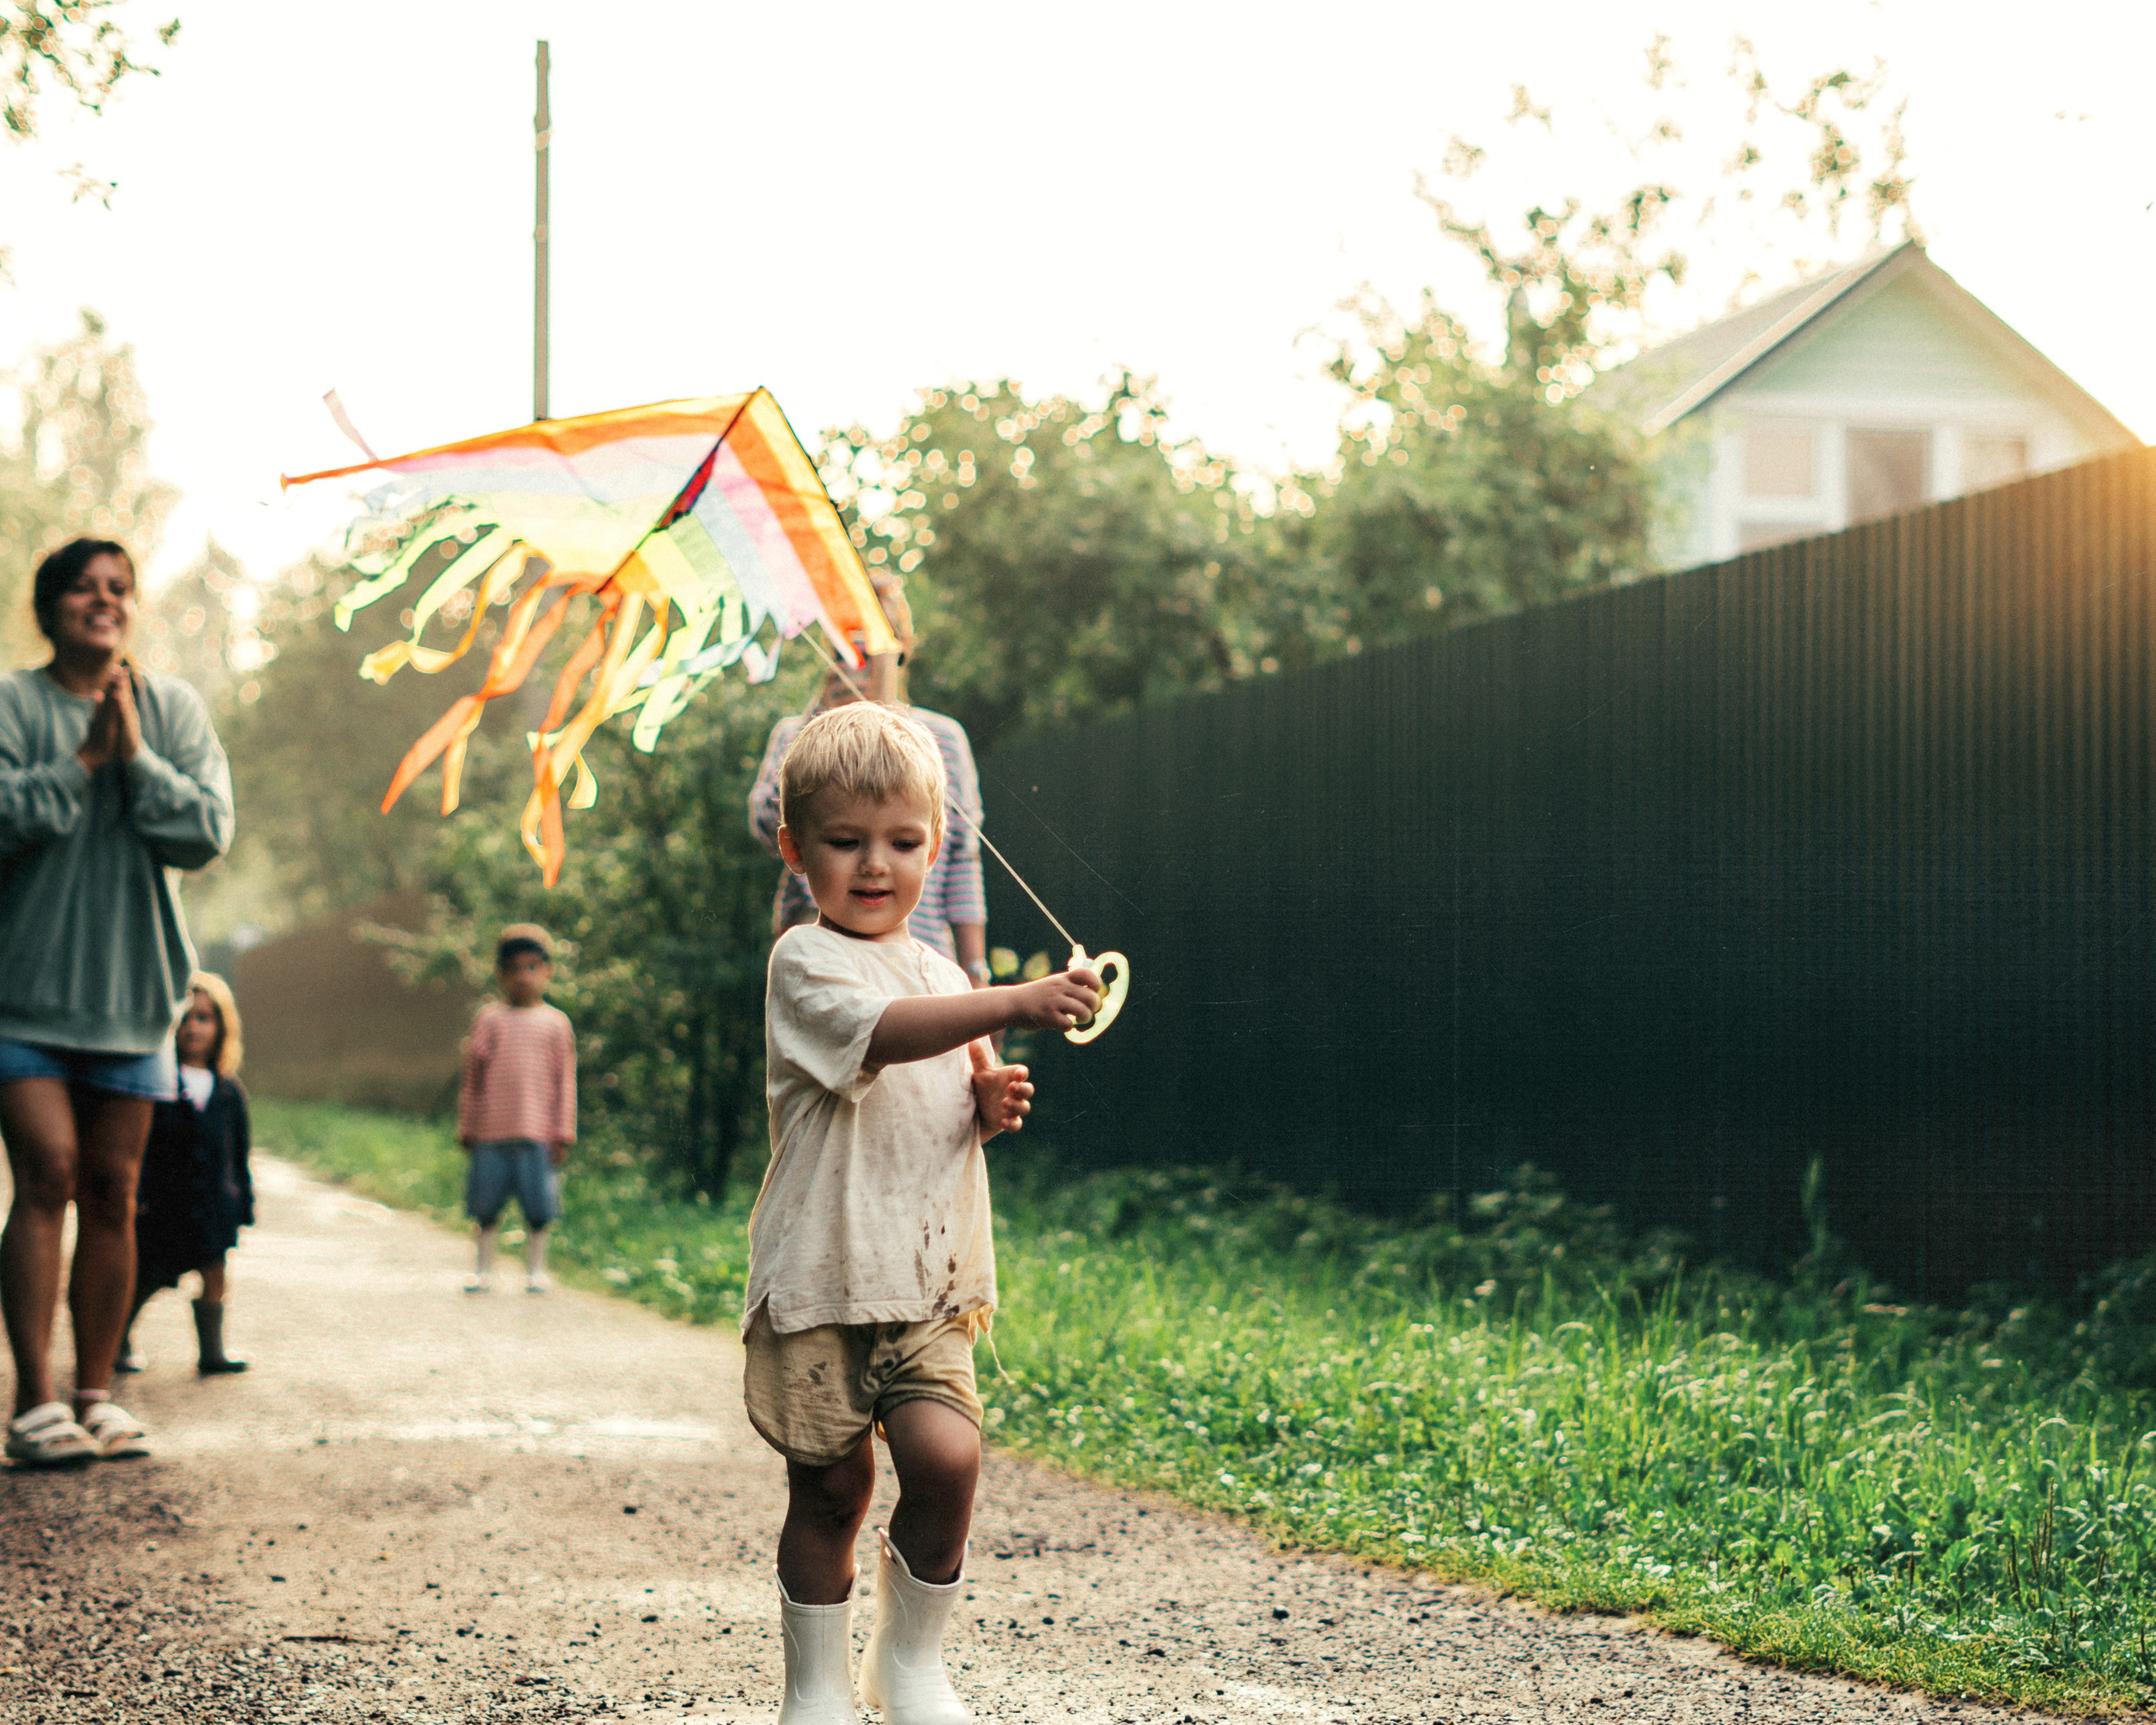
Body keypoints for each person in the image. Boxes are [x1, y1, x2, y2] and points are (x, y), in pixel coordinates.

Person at [745, 702, 1099, 1724]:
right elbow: (888, 1037)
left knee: (946, 1462)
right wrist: (1017, 1000)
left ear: (935, 847)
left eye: (902, 842)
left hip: (930, 1282)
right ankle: (812, 1686)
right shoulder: (804, 961)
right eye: (844, 841)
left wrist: (985, 1105)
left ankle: (905, 1664)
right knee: (830, 1489)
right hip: (822, 1277)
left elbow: (936, 1097)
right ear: (794, 846)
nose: (873, 865)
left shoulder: (943, 971)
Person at [0, 537, 234, 1466]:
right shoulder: (15, 704)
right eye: (84, 588)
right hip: (22, 994)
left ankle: (96, 1395)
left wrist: (133, 753)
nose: (103, 601)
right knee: (48, 1171)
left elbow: (206, 829)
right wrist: (83, 763)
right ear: (51, 605)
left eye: (118, 589)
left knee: (115, 1188)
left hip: (136, 995)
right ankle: (34, 1400)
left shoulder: (171, 708)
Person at [750, 572, 993, 985]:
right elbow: (764, 827)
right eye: (849, 641)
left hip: (925, 952)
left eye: (874, 645)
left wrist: (975, 971)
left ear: (899, 651)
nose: (858, 659)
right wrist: (820, 723)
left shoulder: (942, 738)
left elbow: (962, 859)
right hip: (828, 949)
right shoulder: (796, 733)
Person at [116, 973, 253, 1376]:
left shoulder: (229, 1091)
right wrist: (135, 1194)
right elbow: (136, 1147)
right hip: (162, 1206)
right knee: (145, 1278)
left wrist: (242, 1202)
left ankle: (212, 1351)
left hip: (212, 1206)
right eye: (185, 1018)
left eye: (204, 1018)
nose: (193, 1027)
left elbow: (239, 1153)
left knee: (215, 1274)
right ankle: (117, 1337)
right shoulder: (157, 1084)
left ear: (221, 1026)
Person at [456, 924, 576, 1295]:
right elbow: (473, 1078)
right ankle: (483, 1270)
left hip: (538, 1134)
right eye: (514, 969)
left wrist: (563, 1131)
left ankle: (536, 1270)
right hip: (491, 1132)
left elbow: (565, 1082)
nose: (523, 977)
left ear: (547, 970)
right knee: (485, 1206)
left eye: (532, 967)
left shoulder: (556, 1024)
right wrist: (467, 1125)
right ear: (501, 974)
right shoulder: (489, 1021)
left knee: (539, 1210)